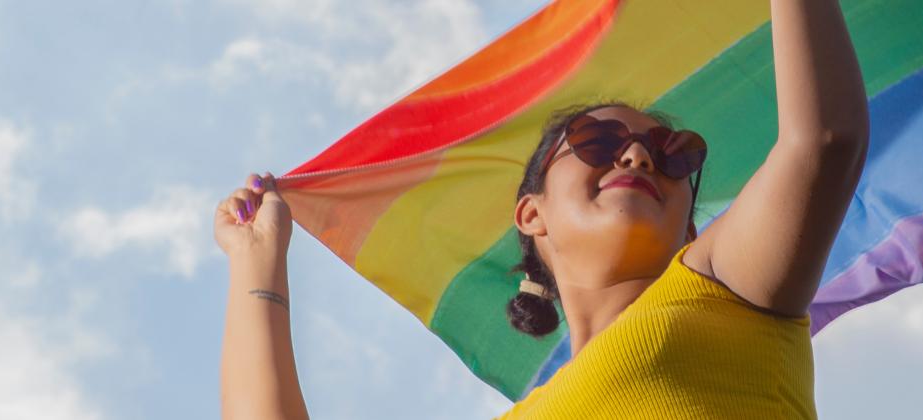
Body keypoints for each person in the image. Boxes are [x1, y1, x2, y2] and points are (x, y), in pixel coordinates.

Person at [214, 0, 866, 418]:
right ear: (531, 214)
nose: (638, 159)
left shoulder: (722, 291)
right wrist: (256, 263)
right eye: (599, 142)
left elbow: (824, 142)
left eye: (671, 155)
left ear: (692, 229)